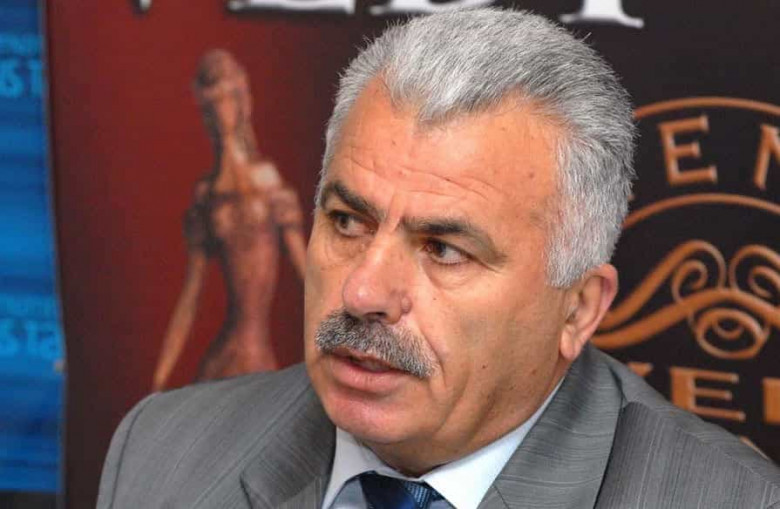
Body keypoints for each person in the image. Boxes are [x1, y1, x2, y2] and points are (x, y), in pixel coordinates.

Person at [99, 9, 780, 509]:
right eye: (347, 222)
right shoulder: (164, 451)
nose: (363, 291)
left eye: (445, 250)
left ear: (577, 309)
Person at [151, 50, 307, 391]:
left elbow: (310, 280)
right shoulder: (206, 195)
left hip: (257, 359)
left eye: (226, 98)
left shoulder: (267, 180)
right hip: (223, 357)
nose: (221, 111)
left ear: (240, 101)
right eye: (212, 103)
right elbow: (190, 297)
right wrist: (158, 380)